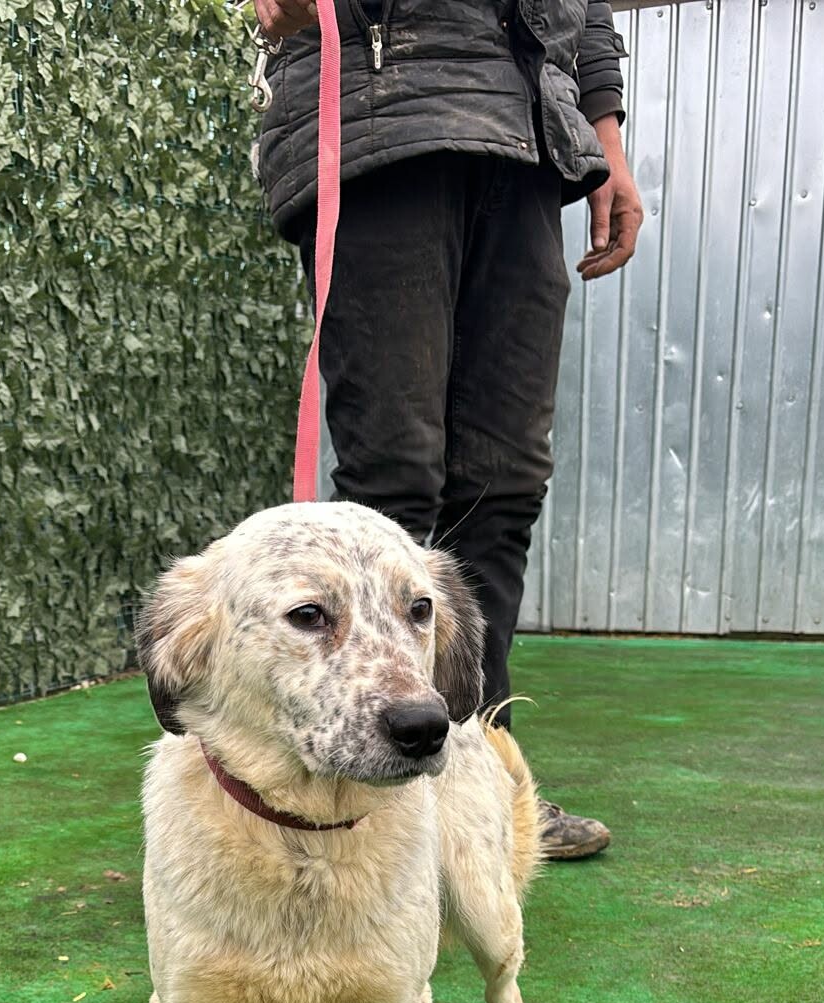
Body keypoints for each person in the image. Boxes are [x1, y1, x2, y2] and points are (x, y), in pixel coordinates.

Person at [251, 0, 644, 858]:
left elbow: (587, 12)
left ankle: (481, 778)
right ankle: (359, 779)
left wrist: (604, 138)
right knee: (394, 480)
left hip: (532, 138)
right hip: (382, 115)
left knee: (506, 482)